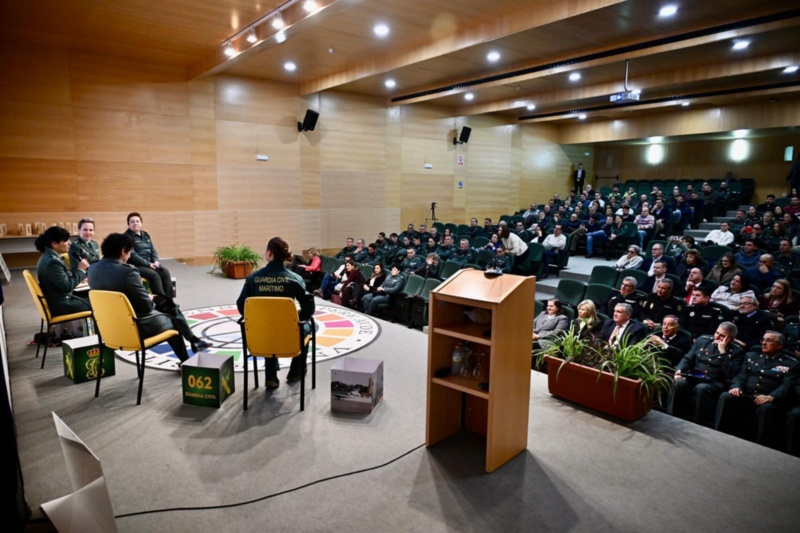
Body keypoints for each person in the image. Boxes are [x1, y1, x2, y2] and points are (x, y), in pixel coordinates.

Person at [88, 233, 196, 363]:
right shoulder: (128, 272)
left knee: (168, 311)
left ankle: (190, 348)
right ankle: (186, 361)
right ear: (123, 251)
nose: (129, 256)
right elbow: (146, 308)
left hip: (108, 329)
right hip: (133, 328)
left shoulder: (92, 268)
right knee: (172, 318)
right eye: (129, 252)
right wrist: (149, 298)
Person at [236, 237, 315, 387]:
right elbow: (309, 308)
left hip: (260, 337)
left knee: (267, 324)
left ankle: (270, 376)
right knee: (308, 326)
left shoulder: (253, 278)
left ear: (269, 254)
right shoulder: (295, 279)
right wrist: (294, 317)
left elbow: (241, 306)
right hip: (288, 335)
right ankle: (295, 371)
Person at [715, 332, 799, 449]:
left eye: (769, 341)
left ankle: (761, 446)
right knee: (726, 396)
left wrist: (771, 397)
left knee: (766, 408)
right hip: (747, 395)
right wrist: (736, 386)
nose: (764, 343)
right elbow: (741, 376)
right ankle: (717, 433)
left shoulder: (791, 363)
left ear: (780, 345)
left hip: (767, 399)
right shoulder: (751, 356)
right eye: (763, 340)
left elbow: (787, 385)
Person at [670, 322, 744, 426]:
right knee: (679, 382)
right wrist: (679, 370)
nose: (717, 336)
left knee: (702, 388)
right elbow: (688, 359)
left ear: (730, 339)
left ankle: (698, 422)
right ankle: (672, 416)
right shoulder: (703, 340)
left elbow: (731, 373)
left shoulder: (737, 351)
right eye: (716, 333)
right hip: (694, 376)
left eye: (722, 335)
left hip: (714, 382)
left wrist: (723, 352)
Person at [35, 226, 91, 317]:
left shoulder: (48, 257)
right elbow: (67, 286)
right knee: (98, 301)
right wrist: (80, 270)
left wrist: (79, 277)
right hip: (62, 303)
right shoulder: (52, 262)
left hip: (59, 298)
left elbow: (63, 279)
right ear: (54, 244)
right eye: (66, 240)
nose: (70, 243)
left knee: (91, 295)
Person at [124, 212, 174, 306]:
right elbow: (133, 255)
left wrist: (156, 261)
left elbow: (153, 250)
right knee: (154, 275)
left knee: (165, 272)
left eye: (137, 221)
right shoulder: (126, 237)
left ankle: (169, 302)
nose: (135, 223)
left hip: (150, 263)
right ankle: (161, 304)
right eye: (132, 222)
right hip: (136, 265)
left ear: (141, 223)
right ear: (128, 224)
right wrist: (148, 264)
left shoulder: (145, 234)